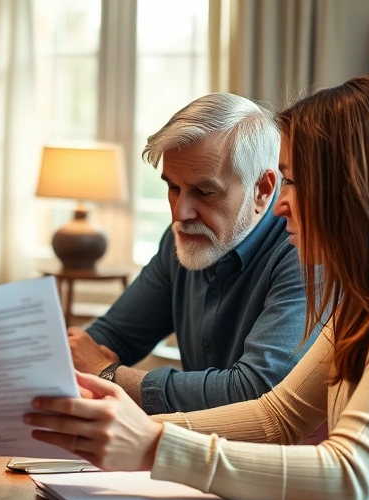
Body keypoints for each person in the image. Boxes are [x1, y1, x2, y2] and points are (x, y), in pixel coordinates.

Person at [28, 76, 369, 500]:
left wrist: (152, 444)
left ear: (354, 189)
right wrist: (109, 434)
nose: (281, 203)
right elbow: (275, 419)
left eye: (294, 182)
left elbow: (348, 476)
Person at [68, 93, 316, 415]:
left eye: (205, 192)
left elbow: (254, 391)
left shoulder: (305, 252)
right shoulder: (182, 241)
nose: (180, 213)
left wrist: (108, 374)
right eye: (173, 187)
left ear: (263, 189)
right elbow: (110, 337)